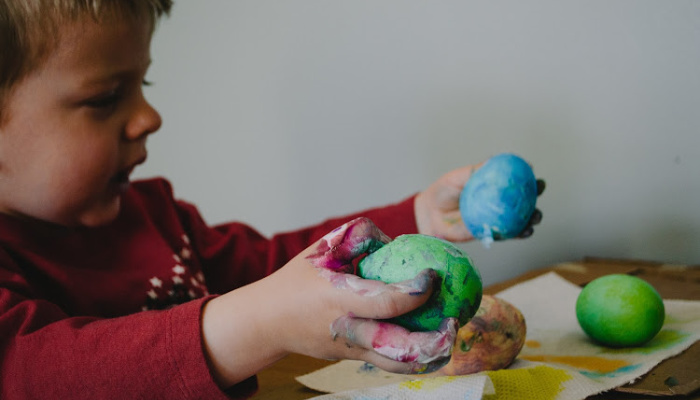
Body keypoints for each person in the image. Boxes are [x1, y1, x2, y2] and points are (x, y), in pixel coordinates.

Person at [0, 1, 544, 399]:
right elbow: (29, 373)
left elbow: (280, 273)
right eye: (105, 98)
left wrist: (416, 220)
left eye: (145, 84)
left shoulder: (159, 220)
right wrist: (262, 323)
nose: (149, 117)